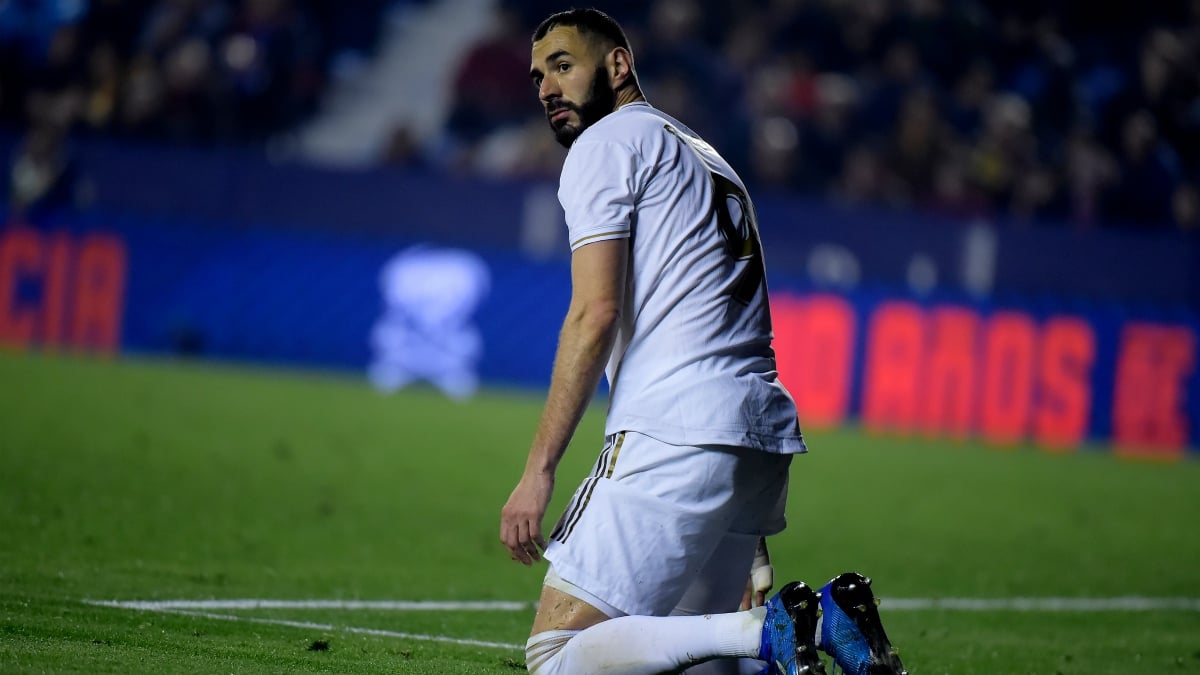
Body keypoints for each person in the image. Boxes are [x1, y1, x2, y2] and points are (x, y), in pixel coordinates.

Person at [499, 9, 907, 675]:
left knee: (555, 655)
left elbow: (593, 313)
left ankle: (770, 631)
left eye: (563, 65)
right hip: (755, 430)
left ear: (618, 66)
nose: (545, 86)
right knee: (697, 658)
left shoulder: (608, 145)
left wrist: (538, 470)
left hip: (674, 427)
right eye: (538, 74)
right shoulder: (703, 153)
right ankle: (820, 618)